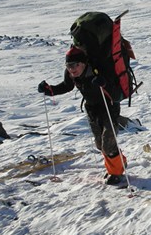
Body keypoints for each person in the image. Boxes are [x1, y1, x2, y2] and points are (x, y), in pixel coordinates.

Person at [37, 46, 126, 185]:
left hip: (109, 107)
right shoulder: (71, 74)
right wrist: (49, 90)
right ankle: (120, 163)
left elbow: (115, 94)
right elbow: (66, 86)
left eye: (74, 65)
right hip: (91, 109)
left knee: (108, 144)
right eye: (68, 65)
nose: (71, 69)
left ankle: (116, 172)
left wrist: (104, 84)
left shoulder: (97, 71)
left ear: (83, 63)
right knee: (100, 144)